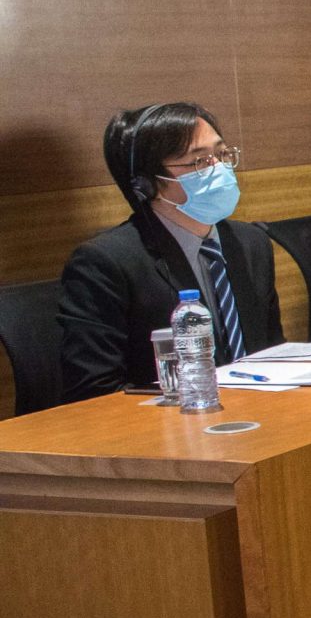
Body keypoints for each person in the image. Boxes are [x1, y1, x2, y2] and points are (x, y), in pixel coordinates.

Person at [58, 103, 284, 402]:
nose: (219, 168)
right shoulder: (105, 263)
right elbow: (96, 390)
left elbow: (272, 352)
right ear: (147, 183)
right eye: (199, 161)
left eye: (222, 154)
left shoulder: (250, 242)